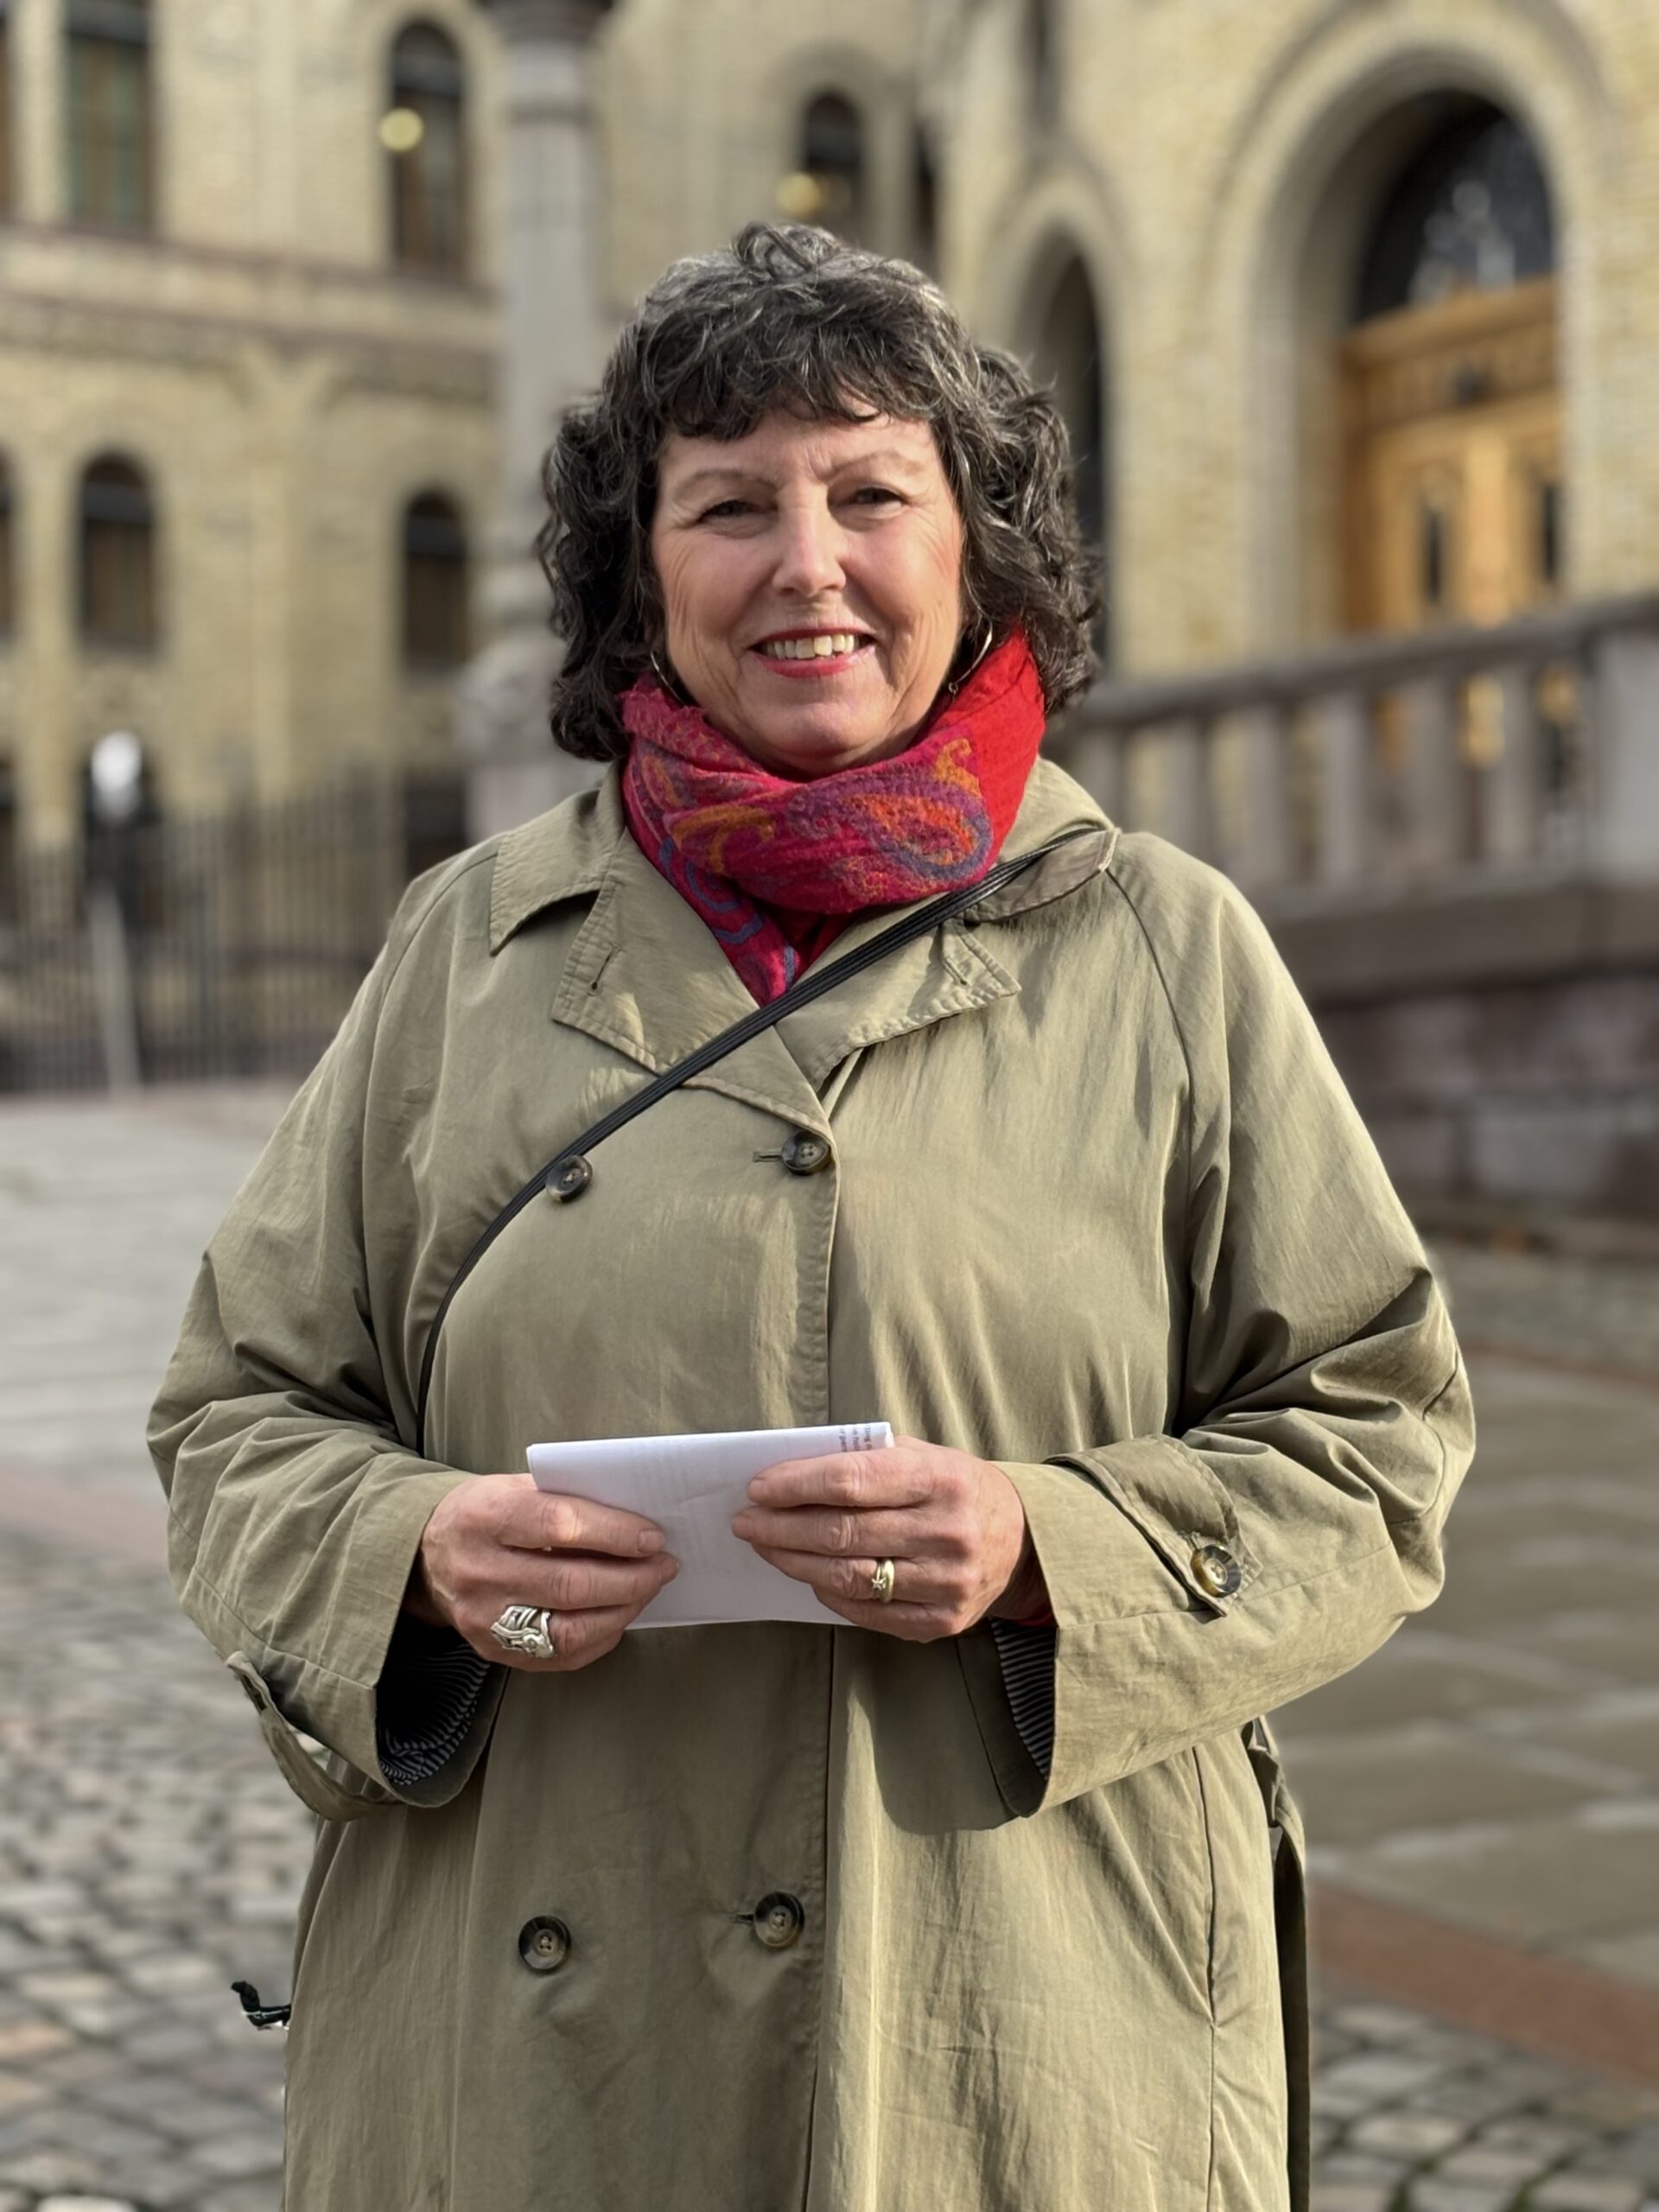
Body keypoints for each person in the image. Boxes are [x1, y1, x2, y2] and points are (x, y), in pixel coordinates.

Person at [150, 224, 1474, 2212]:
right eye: (729, 506)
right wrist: (406, 1548)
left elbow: (1379, 1430)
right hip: (528, 2045)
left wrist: (1050, 1543)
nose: (808, 562)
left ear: (975, 544)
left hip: (1011, 2023)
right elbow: (232, 1412)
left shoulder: (1164, 943)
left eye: (871, 494)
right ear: (641, 569)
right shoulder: (462, 945)